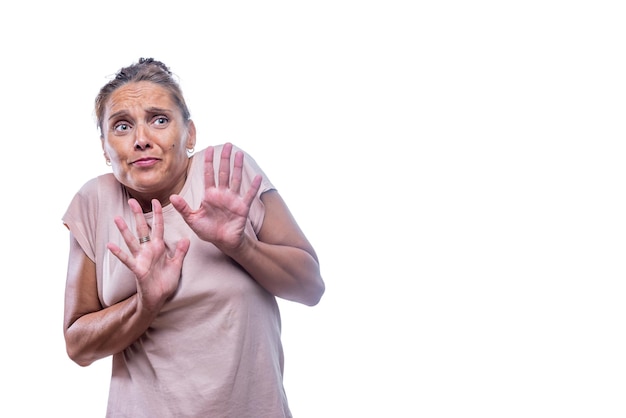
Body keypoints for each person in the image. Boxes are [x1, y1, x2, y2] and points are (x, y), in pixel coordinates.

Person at [62, 57, 325, 417]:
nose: (141, 140)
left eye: (159, 120)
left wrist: (240, 247)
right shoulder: (94, 201)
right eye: (122, 126)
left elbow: (311, 288)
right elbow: (78, 346)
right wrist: (145, 304)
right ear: (105, 149)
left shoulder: (225, 172)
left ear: (190, 134)